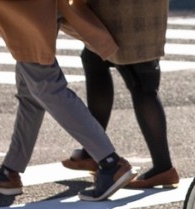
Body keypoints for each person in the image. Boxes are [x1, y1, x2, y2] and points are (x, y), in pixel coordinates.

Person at [0, 0, 135, 201]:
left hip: (25, 7)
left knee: (45, 85)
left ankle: (110, 162)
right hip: (31, 8)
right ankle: (9, 171)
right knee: (31, 91)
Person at [60, 0, 178, 189]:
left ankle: (163, 167)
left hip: (124, 10)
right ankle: (94, 150)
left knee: (141, 81)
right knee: (95, 58)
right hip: (131, 10)